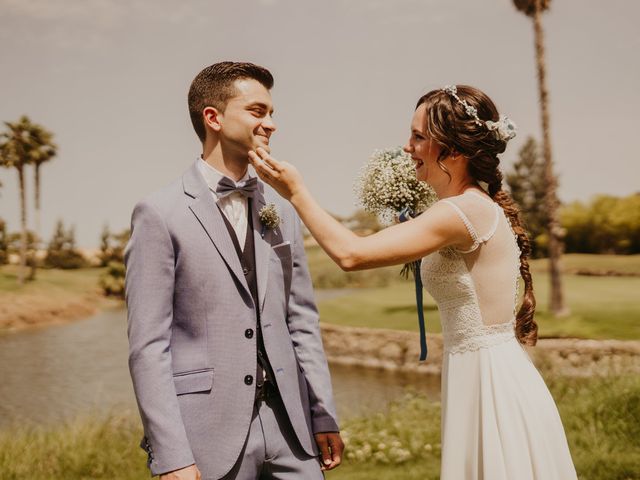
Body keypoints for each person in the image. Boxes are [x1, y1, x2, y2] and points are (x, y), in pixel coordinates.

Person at [248, 84, 577, 479]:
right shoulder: (464, 207)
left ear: (452, 150)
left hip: (489, 380)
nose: (408, 147)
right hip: (481, 368)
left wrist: (296, 193)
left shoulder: (461, 211)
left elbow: (351, 255)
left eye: (419, 137)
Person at [125, 61, 343, 480]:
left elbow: (301, 320)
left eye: (272, 113)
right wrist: (171, 455)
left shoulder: (281, 207)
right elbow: (148, 346)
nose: (272, 124)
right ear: (214, 118)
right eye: (258, 111)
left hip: (291, 430)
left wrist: (323, 414)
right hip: (207, 435)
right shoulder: (159, 213)